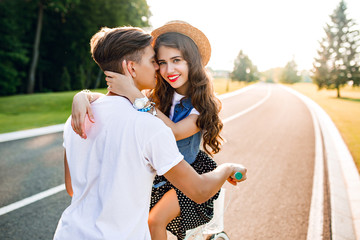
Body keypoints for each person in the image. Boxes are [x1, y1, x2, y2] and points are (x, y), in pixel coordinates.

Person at [55, 25, 247, 240]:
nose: (160, 68)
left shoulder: (75, 120)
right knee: (153, 221)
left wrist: (86, 96)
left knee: (154, 220)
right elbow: (199, 189)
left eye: (175, 60)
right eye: (155, 61)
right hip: (163, 178)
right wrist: (86, 95)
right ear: (131, 68)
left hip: (68, 233)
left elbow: (73, 189)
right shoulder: (150, 121)